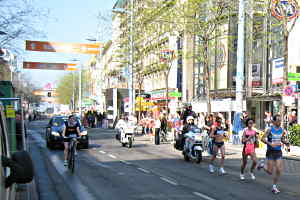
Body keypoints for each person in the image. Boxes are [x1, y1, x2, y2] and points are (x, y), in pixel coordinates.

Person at [257, 114, 290, 194]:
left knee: (279, 169)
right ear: (274, 121)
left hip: (278, 152)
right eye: (278, 120)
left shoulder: (282, 130)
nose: (279, 122)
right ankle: (262, 165)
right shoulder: (269, 130)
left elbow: (281, 139)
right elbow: (262, 139)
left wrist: (286, 142)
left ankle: (274, 187)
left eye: (280, 120)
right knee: (270, 171)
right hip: (270, 152)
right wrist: (270, 144)